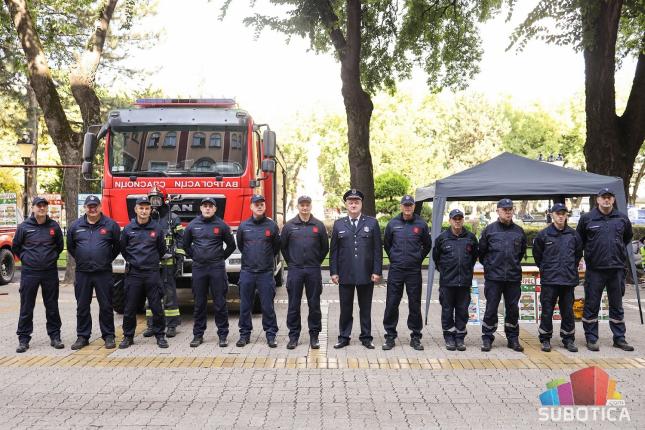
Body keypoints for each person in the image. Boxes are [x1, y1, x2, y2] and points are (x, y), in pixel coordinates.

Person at [576, 188, 634, 351]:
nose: (606, 200)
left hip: (616, 269)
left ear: (613, 200)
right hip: (595, 270)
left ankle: (619, 338)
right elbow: (579, 240)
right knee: (592, 305)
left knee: (617, 305)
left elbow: (627, 237)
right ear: (598, 200)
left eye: (609, 198)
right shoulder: (587, 219)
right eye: (603, 198)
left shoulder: (622, 218)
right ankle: (592, 338)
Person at [66, 195, 121, 350]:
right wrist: (83, 258)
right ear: (85, 208)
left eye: (95, 205)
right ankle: (83, 336)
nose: (92, 209)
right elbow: (71, 247)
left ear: (100, 207)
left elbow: (117, 246)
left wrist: (105, 259)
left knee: (106, 305)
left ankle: (109, 336)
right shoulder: (75, 226)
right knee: (82, 305)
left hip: (103, 272)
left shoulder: (110, 225)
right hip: (83, 272)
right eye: (89, 206)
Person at [330, 189, 382, 349]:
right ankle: (344, 337)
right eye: (350, 202)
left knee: (365, 308)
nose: (353, 204)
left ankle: (366, 337)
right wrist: (334, 272)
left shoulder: (372, 223)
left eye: (356, 202)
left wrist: (377, 271)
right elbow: (334, 251)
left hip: (366, 273)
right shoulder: (339, 224)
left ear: (361, 204)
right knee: (345, 307)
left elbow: (377, 250)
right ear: (346, 204)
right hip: (345, 273)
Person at [13, 196, 65, 353]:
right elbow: (16, 247)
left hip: (49, 272)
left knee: (52, 306)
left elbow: (59, 246)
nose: (42, 208)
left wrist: (49, 260)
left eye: (44, 206)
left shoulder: (54, 227)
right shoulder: (24, 227)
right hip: (29, 273)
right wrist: (27, 259)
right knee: (27, 306)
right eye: (39, 206)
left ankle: (55, 337)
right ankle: (23, 339)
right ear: (33, 208)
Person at [183, 197, 236, 347]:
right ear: (201, 208)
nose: (207, 209)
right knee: (199, 303)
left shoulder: (222, 225)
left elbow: (231, 245)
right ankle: (198, 335)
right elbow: (185, 245)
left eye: (210, 206)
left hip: (216, 268)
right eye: (205, 206)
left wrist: (220, 258)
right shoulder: (193, 225)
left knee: (220, 302)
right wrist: (195, 257)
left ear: (215, 209)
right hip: (199, 268)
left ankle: (223, 335)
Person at [382, 195, 431, 351]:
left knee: (414, 304)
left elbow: (427, 245)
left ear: (414, 206)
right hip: (396, 269)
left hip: (413, 270)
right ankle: (390, 336)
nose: (408, 207)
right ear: (401, 206)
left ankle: (416, 336)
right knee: (391, 303)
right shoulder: (392, 224)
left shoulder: (421, 224)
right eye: (405, 205)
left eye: (410, 205)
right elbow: (387, 245)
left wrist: (417, 259)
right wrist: (395, 258)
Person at [118, 196, 169, 349]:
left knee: (156, 307)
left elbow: (161, 250)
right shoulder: (128, 229)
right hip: (134, 274)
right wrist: (135, 262)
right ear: (136, 210)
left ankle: (160, 336)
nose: (144, 211)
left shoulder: (156, 228)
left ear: (150, 210)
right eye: (141, 208)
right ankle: (128, 336)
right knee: (130, 308)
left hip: (152, 273)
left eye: (147, 208)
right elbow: (124, 249)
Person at [479, 198, 527, 352]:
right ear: (497, 211)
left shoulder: (519, 231)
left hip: (513, 278)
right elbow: (482, 253)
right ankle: (487, 338)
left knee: (513, 309)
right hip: (494, 278)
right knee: (491, 308)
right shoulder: (489, 230)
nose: (508, 212)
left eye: (510, 209)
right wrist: (491, 267)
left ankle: (512, 338)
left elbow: (520, 253)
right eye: (504, 209)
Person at [533, 203, 583, 353]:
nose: (561, 216)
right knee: (547, 310)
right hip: (550, 280)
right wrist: (546, 269)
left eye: (563, 213)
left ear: (566, 215)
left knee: (567, 311)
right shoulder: (543, 235)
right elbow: (537, 256)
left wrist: (569, 268)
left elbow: (578, 254)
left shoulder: (574, 235)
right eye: (558, 213)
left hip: (568, 280)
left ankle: (568, 339)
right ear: (552, 215)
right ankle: (545, 339)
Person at [281, 195, 329, 349]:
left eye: (307, 205)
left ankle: (314, 336)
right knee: (293, 305)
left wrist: (314, 262)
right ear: (298, 206)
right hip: (295, 270)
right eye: (302, 205)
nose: (305, 207)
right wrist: (293, 263)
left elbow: (324, 248)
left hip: (313, 270)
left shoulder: (319, 226)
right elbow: (283, 247)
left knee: (314, 304)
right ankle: (293, 336)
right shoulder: (289, 226)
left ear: (311, 206)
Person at [236, 195, 281, 348]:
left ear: (265, 206)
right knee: (245, 306)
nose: (259, 206)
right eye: (256, 204)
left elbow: (275, 248)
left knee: (267, 306)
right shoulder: (243, 226)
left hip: (265, 273)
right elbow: (241, 246)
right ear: (251, 207)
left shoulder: (272, 226)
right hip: (247, 272)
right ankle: (244, 335)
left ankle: (270, 334)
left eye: (262, 204)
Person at [142, 186, 185, 338]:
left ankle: (172, 325)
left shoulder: (173, 218)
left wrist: (179, 260)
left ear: (164, 200)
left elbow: (181, 240)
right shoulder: (146, 219)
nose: (154, 203)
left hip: (168, 264)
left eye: (157, 199)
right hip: (151, 264)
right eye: (151, 200)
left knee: (169, 294)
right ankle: (151, 325)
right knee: (151, 295)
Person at [432, 208, 478, 351]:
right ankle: (449, 337)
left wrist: (465, 271)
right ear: (450, 220)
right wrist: (445, 271)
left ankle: (460, 338)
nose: (457, 221)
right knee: (447, 311)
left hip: (464, 282)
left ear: (463, 220)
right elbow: (436, 258)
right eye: (454, 219)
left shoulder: (470, 238)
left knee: (462, 310)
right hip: (447, 282)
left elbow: (474, 257)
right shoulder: (442, 238)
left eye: (460, 219)